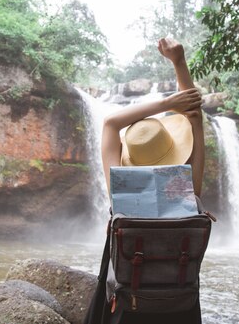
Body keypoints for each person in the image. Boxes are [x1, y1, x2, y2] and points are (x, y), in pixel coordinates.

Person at [84, 37, 205, 324]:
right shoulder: (186, 189)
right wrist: (179, 62)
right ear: (177, 151)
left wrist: (163, 103)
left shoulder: (122, 190)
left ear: (130, 157)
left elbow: (111, 124)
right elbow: (194, 116)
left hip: (129, 302)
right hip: (179, 302)